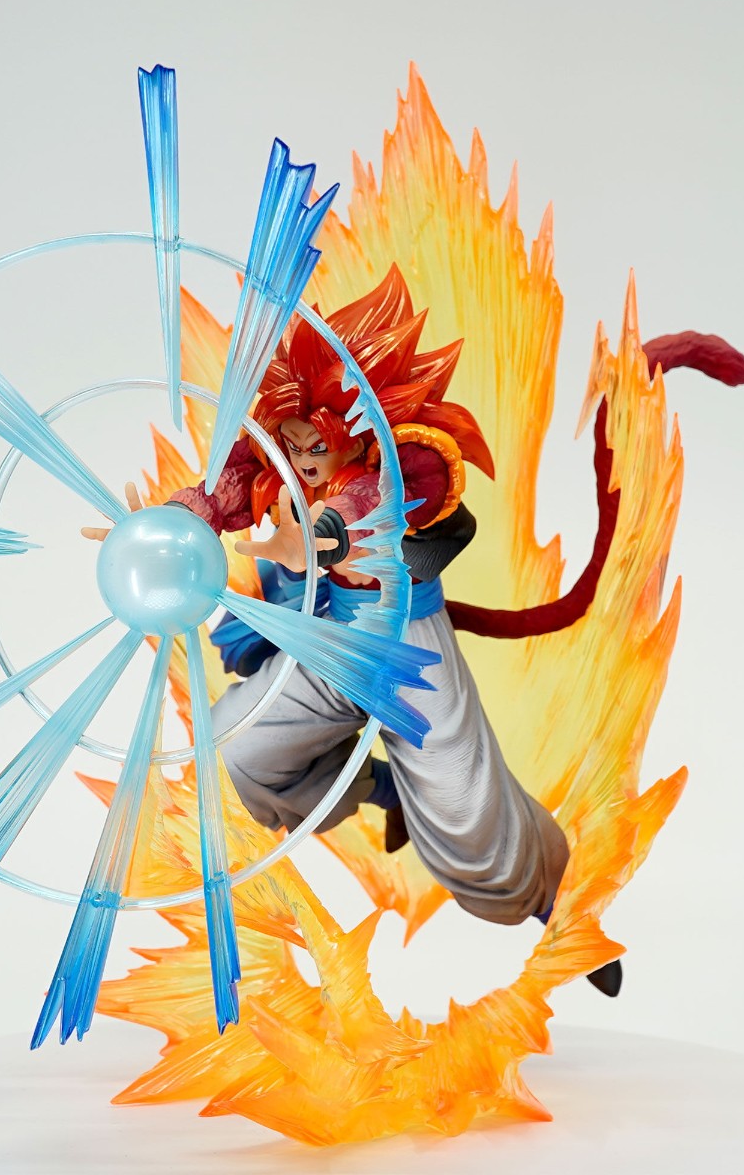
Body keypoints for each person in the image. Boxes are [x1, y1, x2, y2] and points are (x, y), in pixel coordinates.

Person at [167, 266, 575, 933]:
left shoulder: (406, 461)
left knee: (467, 812)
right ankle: (385, 791)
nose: (301, 460)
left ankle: (547, 898)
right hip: (328, 639)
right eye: (291, 444)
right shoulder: (279, 454)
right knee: (238, 752)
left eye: (317, 446)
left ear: (356, 434)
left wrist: (324, 535)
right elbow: (232, 485)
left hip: (406, 648)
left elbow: (382, 503)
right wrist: (184, 519)